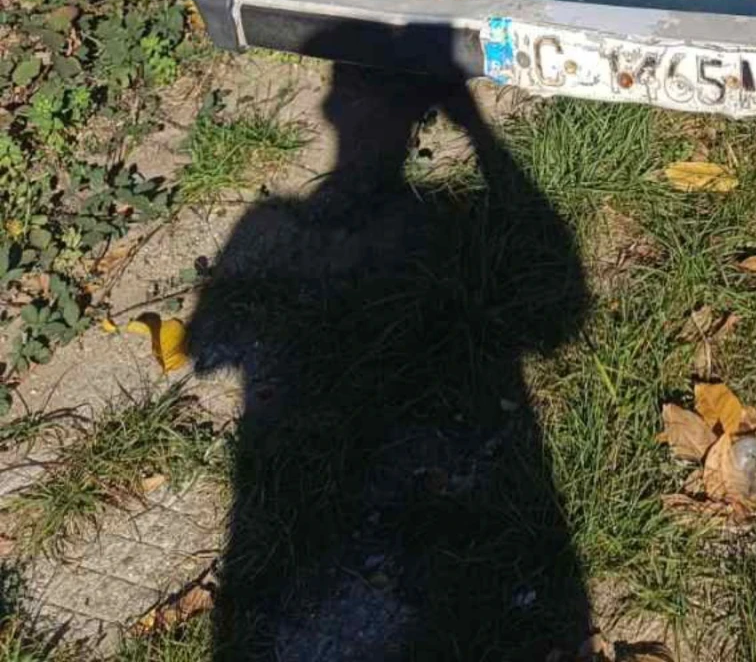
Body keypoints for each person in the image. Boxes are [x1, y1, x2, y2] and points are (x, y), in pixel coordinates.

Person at [187, 57, 591, 659]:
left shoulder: (269, 226)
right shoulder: (274, 226)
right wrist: (480, 135)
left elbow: (205, 350)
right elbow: (561, 320)